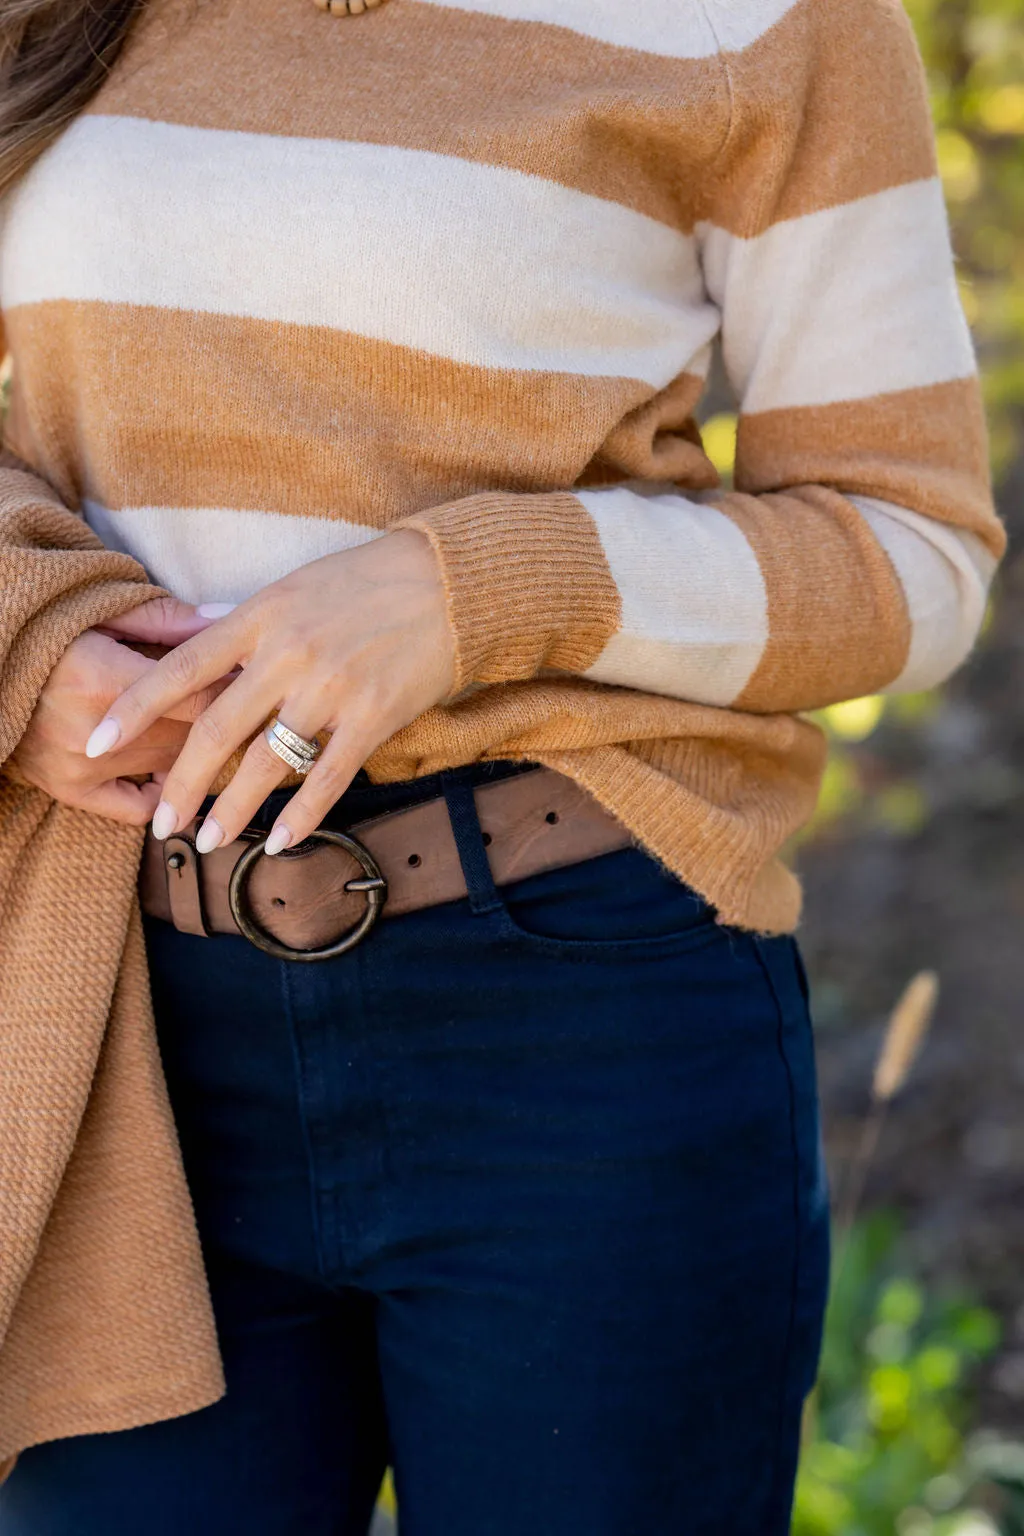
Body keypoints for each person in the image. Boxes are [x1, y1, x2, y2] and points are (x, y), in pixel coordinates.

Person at [0, 0, 1004, 1530]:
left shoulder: (772, 22)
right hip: (109, 1009)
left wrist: (473, 592)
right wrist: (26, 635)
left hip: (576, 1025)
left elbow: (912, 552)